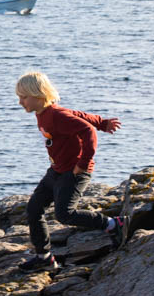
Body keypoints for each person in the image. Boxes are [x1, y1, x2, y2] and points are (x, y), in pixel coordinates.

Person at [14, 71, 126, 271]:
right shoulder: (45, 113)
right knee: (34, 209)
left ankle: (113, 224)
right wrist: (102, 122)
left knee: (65, 214)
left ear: (38, 94)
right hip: (56, 171)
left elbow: (87, 131)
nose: (20, 102)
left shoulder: (56, 116)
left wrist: (83, 163)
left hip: (74, 173)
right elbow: (78, 115)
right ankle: (44, 257)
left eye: (24, 97)